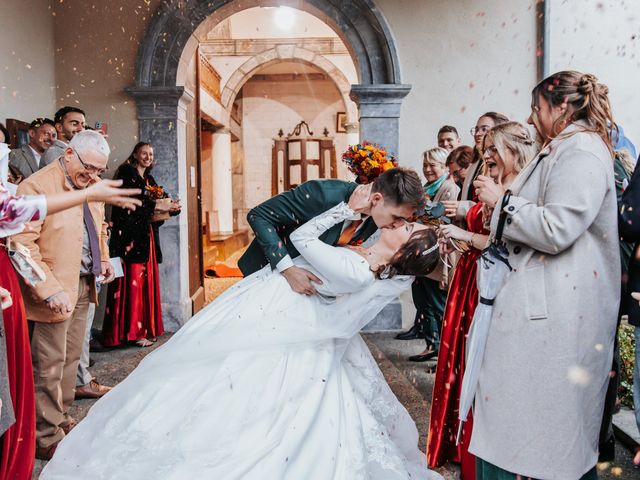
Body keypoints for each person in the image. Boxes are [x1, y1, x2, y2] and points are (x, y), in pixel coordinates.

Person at [41, 194, 443, 479]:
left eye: (406, 228)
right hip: (280, 302)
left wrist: (344, 210)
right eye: (403, 219)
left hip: (279, 311)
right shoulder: (366, 259)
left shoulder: (358, 270)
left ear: (402, 250)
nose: (398, 224)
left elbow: (303, 239)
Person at [470, 71, 620, 479]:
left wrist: (504, 202)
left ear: (562, 107)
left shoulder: (583, 152)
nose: (532, 118)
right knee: (525, 430)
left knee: (551, 438)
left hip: (559, 312)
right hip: (545, 306)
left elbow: (558, 228)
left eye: (537, 108)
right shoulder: (563, 148)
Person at [0, 139, 140, 478]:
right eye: (87, 167)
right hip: (52, 286)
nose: (91, 175)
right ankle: (44, 436)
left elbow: (97, 229)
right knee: (48, 364)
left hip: (83, 282)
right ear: (68, 154)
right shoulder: (37, 184)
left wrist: (104, 260)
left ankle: (60, 418)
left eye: (98, 171)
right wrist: (48, 290)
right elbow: (21, 244)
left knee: (72, 359)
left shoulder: (88, 185)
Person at [427, 122, 536, 479]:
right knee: (468, 367)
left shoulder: (519, 192)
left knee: (486, 373)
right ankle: (467, 448)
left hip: (493, 288)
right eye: (485, 160)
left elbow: (504, 242)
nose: (486, 167)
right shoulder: (496, 188)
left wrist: (464, 234)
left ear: (510, 156)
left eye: (491, 160)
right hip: (473, 279)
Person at [238, 167, 427, 294]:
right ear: (376, 199)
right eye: (397, 217)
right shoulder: (323, 194)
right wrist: (288, 269)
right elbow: (258, 215)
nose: (398, 224)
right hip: (266, 273)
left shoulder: (374, 220)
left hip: (303, 291)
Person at [102, 142, 180, 348]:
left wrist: (171, 208)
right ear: (135, 154)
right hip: (129, 238)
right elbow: (135, 204)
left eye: (151, 154)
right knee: (133, 284)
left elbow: (154, 205)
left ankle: (143, 328)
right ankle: (132, 332)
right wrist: (161, 205)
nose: (147, 157)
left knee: (145, 283)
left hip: (146, 237)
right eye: (144, 153)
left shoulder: (149, 179)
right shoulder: (126, 173)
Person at [396, 148, 459, 359]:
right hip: (422, 253)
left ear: (444, 167)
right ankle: (432, 345)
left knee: (437, 303)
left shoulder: (449, 189)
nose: (428, 169)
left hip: (439, 254)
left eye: (433, 165)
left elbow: (445, 222)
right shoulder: (425, 188)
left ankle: (446, 352)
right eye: (425, 165)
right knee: (423, 301)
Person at [442, 112, 509, 220]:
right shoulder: (476, 160)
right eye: (476, 129)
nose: (477, 133)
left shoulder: (502, 165)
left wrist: (463, 208)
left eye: (484, 129)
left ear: (499, 131)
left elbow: (494, 205)